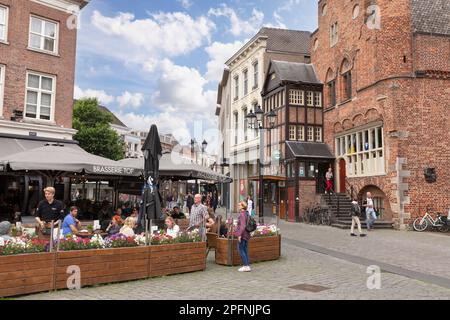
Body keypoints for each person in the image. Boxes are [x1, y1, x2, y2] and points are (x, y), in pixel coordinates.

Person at [236, 201, 251, 272]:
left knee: (241, 250)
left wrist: (239, 235)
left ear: (242, 206)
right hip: (247, 234)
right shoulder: (247, 213)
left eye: (239, 205)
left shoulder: (242, 214)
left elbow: (243, 226)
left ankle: (245, 266)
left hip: (243, 234)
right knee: (245, 250)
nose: (238, 206)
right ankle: (247, 265)